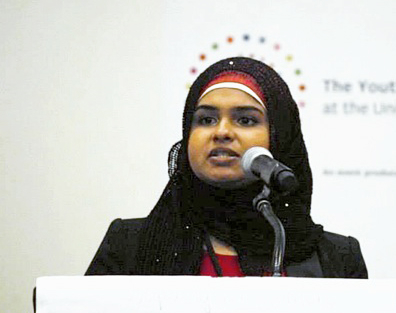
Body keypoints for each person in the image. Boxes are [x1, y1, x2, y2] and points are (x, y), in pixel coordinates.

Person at [86, 57, 367, 278]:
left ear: (280, 137)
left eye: (245, 120)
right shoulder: (128, 244)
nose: (221, 132)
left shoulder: (338, 258)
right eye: (206, 120)